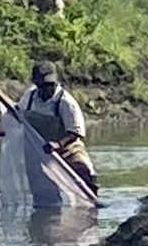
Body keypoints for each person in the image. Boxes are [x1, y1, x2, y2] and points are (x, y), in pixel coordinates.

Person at [19, 60, 97, 195]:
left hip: (68, 150)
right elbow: (18, 116)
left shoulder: (66, 102)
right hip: (40, 152)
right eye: (43, 85)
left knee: (84, 173)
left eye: (50, 84)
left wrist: (58, 144)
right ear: (36, 84)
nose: (47, 89)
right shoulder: (30, 97)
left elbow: (75, 133)